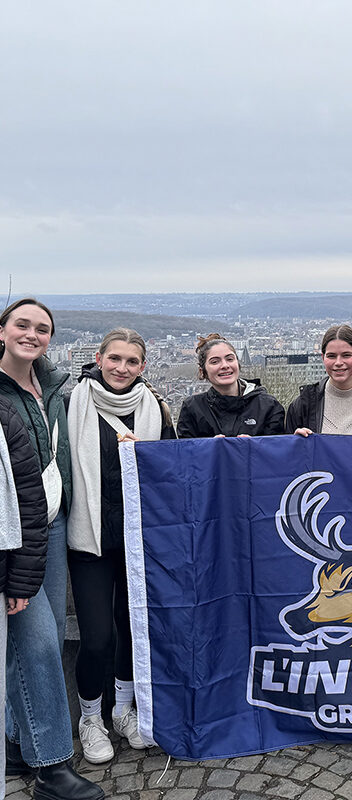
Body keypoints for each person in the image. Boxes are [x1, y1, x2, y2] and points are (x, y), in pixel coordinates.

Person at [0, 298, 103, 799]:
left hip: (54, 523)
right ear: (2, 331)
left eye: (42, 328)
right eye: (22, 324)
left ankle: (19, 744)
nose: (32, 334)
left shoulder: (56, 385)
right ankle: (52, 768)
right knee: (39, 643)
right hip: (12, 533)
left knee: (29, 642)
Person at [67, 328, 176, 764]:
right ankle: (90, 716)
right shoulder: (73, 402)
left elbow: (172, 468)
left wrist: (145, 456)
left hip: (135, 537)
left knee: (133, 631)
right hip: (88, 536)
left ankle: (124, 709)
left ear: (143, 367)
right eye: (115, 359)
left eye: (132, 362)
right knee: (96, 637)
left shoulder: (155, 408)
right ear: (98, 357)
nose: (121, 368)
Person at [0, 395, 50, 800]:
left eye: (42, 327)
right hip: (22, 549)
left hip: (23, 548)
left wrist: (17, 577)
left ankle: (49, 762)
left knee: (39, 646)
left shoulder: (8, 409)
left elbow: (26, 493)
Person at [177, 333, 284, 438]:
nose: (225, 365)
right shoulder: (193, 408)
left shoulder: (268, 406)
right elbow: (186, 452)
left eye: (230, 359)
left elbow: (277, 450)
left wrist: (254, 447)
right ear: (203, 372)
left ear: (238, 364)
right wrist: (210, 449)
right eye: (215, 362)